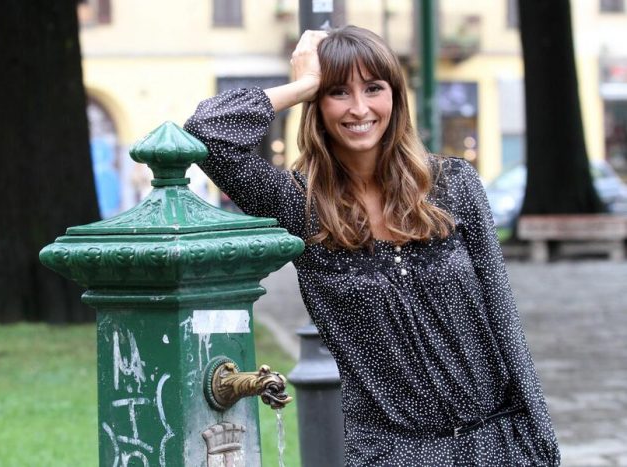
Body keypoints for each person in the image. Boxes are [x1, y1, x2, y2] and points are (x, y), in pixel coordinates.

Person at [184, 25, 560, 466]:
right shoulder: (299, 204)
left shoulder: (453, 183)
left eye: (373, 88)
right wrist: (303, 84)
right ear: (317, 104)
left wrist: (540, 438)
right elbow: (207, 132)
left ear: (395, 96)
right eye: (338, 92)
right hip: (393, 451)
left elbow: (503, 314)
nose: (359, 108)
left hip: (496, 442)